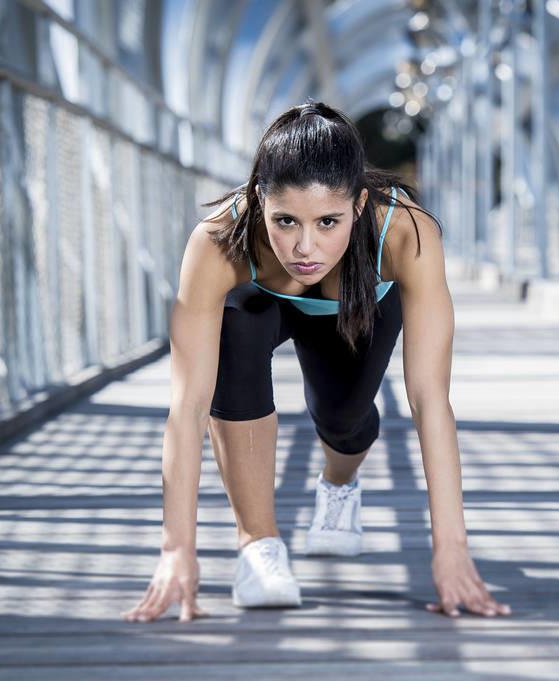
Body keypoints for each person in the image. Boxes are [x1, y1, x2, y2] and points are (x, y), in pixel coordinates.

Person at [120, 101, 512, 623]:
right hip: (263, 308)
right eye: (285, 221)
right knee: (235, 326)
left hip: (359, 305)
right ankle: (259, 547)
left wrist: (451, 548)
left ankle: (338, 483)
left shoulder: (403, 231)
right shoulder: (217, 241)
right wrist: (176, 551)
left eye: (329, 221)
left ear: (360, 203)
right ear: (260, 199)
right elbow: (187, 407)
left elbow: (428, 400)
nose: (306, 247)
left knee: (344, 417)